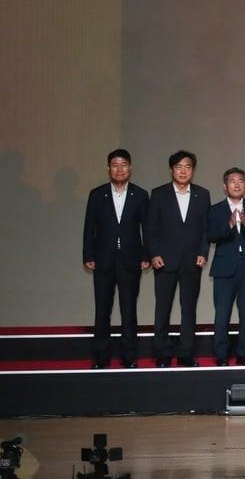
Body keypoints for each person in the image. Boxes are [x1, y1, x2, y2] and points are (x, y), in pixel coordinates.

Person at [82, 149, 150, 368]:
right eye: (115, 165)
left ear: (130, 168)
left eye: (123, 165)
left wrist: (146, 255)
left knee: (128, 310)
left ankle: (129, 357)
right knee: (102, 310)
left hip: (131, 260)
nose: (119, 169)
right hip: (103, 260)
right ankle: (101, 357)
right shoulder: (97, 194)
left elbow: (147, 228)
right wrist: (88, 254)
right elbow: (89, 227)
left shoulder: (140, 195)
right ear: (108, 168)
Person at [145, 150, 210, 367]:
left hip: (192, 261)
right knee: (162, 309)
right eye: (179, 167)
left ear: (193, 170)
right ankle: (162, 353)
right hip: (164, 261)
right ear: (171, 169)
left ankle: (186, 353)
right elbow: (151, 229)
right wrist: (154, 254)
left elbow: (205, 229)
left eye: (188, 167)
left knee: (189, 309)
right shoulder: (159, 194)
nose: (183, 171)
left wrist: (203, 253)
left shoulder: (202, 194)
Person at [208, 167, 245, 366]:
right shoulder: (215, 209)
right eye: (232, 181)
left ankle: (244, 355)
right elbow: (211, 235)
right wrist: (230, 224)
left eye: (240, 181)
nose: (237, 184)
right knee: (222, 314)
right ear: (225, 186)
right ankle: (221, 355)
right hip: (224, 268)